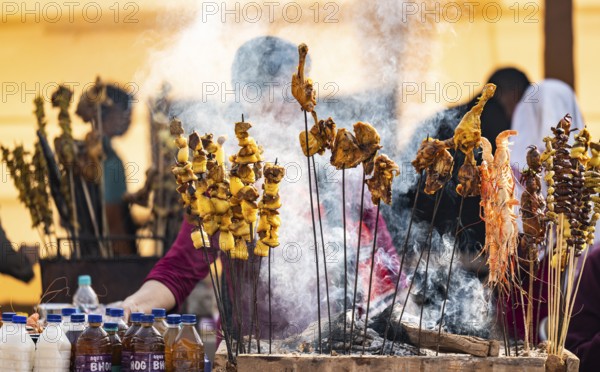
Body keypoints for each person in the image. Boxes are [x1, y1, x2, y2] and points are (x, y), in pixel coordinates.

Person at [122, 36, 398, 340]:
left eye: (302, 91)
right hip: (264, 351)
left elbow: (386, 261)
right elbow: (181, 267)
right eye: (283, 92)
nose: (296, 105)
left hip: (350, 347)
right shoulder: (229, 184)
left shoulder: (340, 171)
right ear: (248, 97)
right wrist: (134, 304)